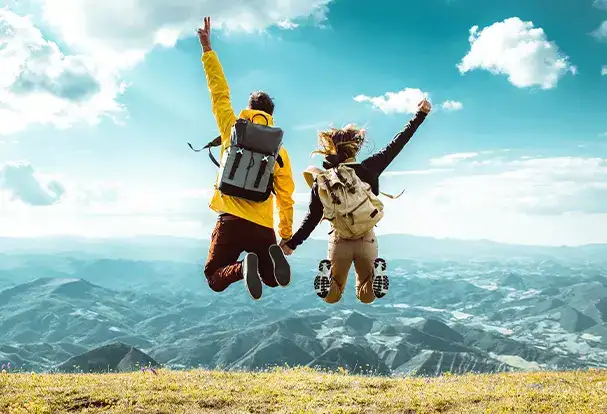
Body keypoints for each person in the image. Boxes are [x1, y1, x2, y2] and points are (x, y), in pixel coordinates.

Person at [281, 99, 432, 304]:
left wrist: (291, 244)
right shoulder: (370, 167)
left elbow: (312, 217)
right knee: (366, 295)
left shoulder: (323, 181)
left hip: (339, 241)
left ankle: (327, 280)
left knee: (332, 296)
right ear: (355, 148)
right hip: (366, 239)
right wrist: (419, 116)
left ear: (330, 148)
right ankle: (375, 277)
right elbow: (398, 143)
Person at [198, 16, 295, 300]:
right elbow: (286, 196)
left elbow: (219, 93)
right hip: (263, 226)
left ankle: (241, 269)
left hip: (230, 219)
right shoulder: (281, 151)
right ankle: (268, 258)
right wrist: (285, 234)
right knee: (272, 280)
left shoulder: (232, 129)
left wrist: (207, 49)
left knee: (214, 276)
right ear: (270, 115)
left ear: (249, 109)